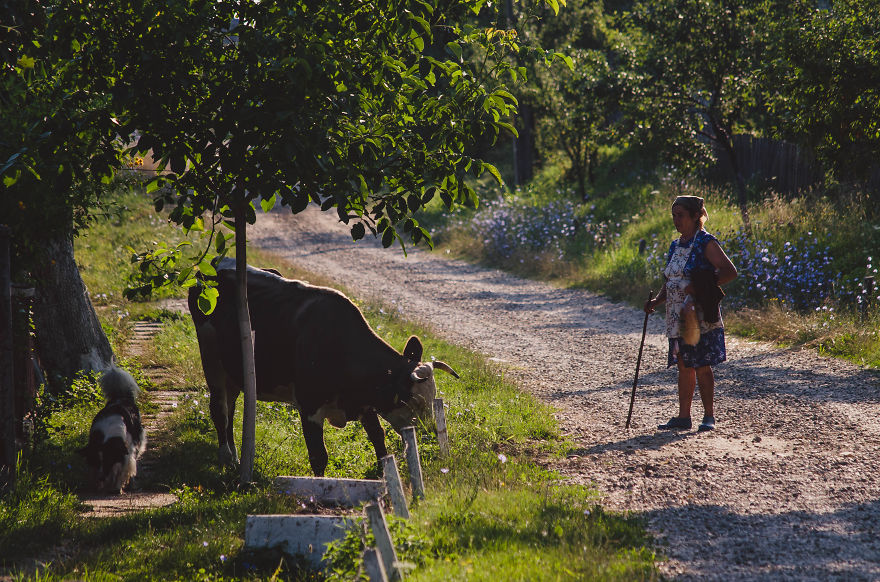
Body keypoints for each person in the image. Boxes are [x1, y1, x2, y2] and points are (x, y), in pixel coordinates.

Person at [644, 196, 737, 432]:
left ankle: (709, 417)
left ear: (696, 216)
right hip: (677, 316)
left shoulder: (706, 243)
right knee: (684, 364)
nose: (676, 220)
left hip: (699, 314)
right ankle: (683, 417)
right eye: (674, 216)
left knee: (702, 364)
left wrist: (701, 287)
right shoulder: (676, 245)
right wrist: (656, 301)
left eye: (681, 215)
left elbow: (729, 271)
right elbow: (670, 279)